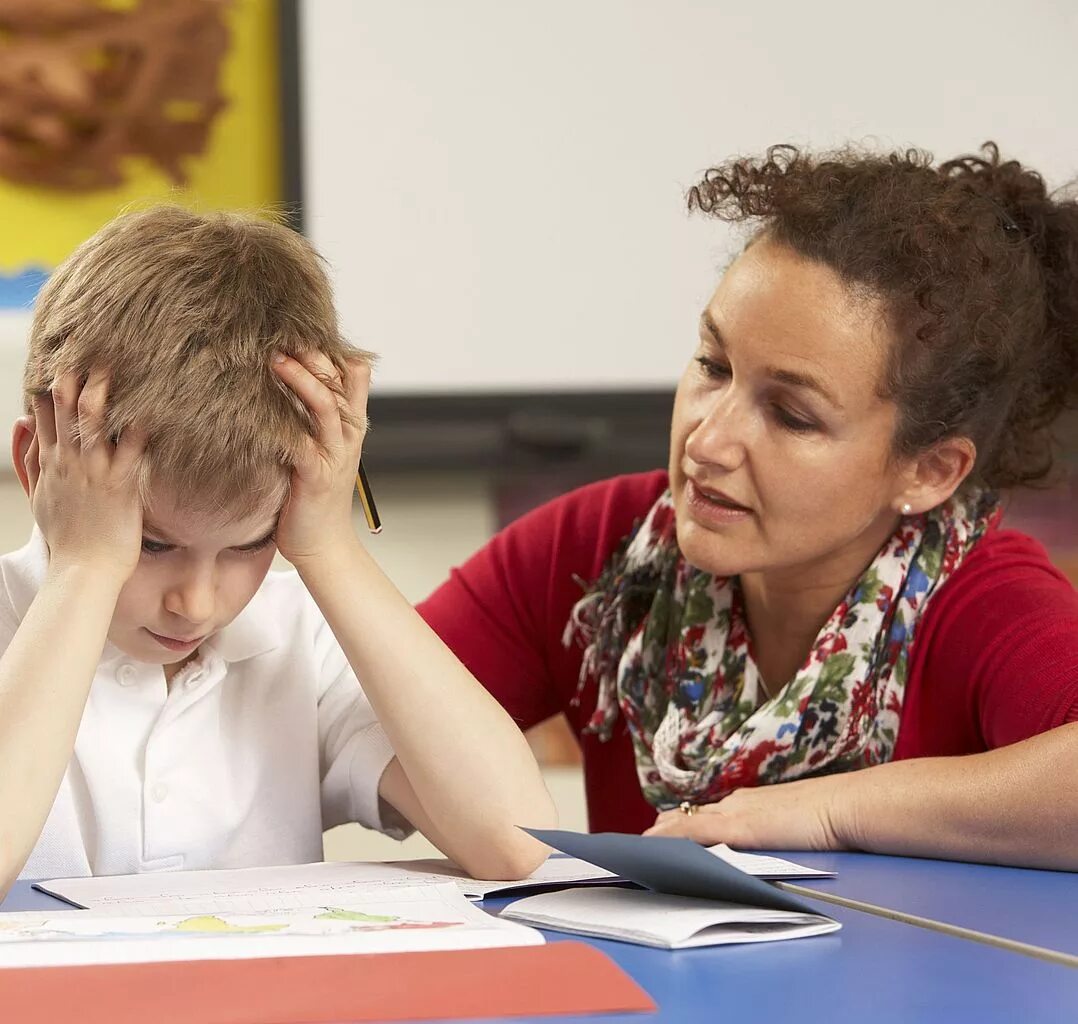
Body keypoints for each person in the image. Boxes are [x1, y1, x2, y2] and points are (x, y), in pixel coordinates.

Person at [418, 143, 1078, 870]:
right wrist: (329, 541)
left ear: (928, 471)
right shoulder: (598, 545)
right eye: (712, 366)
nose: (709, 439)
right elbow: (344, 712)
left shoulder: (983, 600)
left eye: (792, 415)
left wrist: (830, 810)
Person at [0, 207, 555, 898]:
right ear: (39, 467)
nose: (195, 602)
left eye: (249, 544)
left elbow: (518, 842)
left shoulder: (299, 639)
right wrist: (86, 569)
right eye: (152, 543)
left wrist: (328, 546)